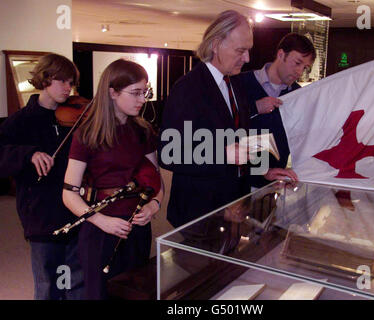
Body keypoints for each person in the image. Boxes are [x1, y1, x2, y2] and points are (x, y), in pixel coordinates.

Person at [62, 59, 164, 300]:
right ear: (113, 92)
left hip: (137, 228)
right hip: (100, 230)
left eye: (145, 92)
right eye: (136, 93)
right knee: (100, 294)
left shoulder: (143, 130)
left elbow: (155, 180)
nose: (143, 99)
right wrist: (102, 221)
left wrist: (154, 205)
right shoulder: (86, 134)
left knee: (135, 293)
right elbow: (68, 193)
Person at [158, 10, 253, 228]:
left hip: (233, 206)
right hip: (199, 214)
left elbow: (238, 138)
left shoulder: (235, 82)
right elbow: (169, 153)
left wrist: (265, 170)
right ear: (216, 45)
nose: (247, 58)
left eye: (248, 50)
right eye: (241, 50)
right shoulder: (187, 88)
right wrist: (222, 154)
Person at [0, 53, 84, 299]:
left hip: (75, 207)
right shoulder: (21, 121)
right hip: (41, 212)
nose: (68, 89)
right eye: (62, 81)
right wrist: (28, 154)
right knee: (48, 282)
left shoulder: (76, 117)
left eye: (71, 82)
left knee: (75, 278)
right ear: (45, 80)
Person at [237, 33, 316, 188]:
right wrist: (254, 108)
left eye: (305, 67)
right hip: (238, 184)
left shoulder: (297, 95)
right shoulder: (240, 83)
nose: (300, 72)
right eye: (297, 63)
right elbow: (223, 127)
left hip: (275, 185)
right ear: (281, 54)